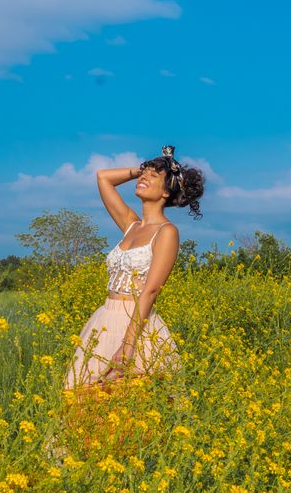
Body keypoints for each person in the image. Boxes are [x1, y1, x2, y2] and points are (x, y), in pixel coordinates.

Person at [63, 145, 205, 390]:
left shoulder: (167, 232)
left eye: (153, 176)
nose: (144, 177)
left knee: (131, 411)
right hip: (104, 319)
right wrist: (142, 169)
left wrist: (127, 347)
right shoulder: (131, 224)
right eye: (143, 173)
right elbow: (103, 178)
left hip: (137, 326)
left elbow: (150, 290)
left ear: (166, 192)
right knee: (82, 406)